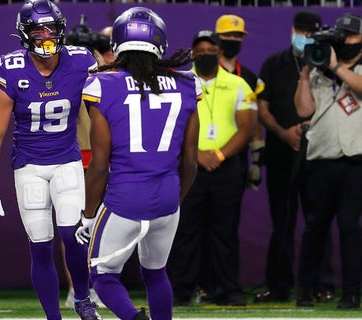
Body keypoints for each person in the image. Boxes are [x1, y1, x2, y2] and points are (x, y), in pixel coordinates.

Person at [0, 0, 101, 319]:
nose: (46, 36)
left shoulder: (81, 61)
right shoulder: (11, 67)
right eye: (37, 30)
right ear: (24, 34)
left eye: (51, 29)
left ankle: (83, 299)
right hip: (29, 166)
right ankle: (53, 317)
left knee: (72, 236)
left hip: (67, 160)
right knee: (41, 244)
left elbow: (104, 104)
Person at [75, 7, 200, 320]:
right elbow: (190, 161)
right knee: (156, 274)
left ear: (118, 43)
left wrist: (88, 215)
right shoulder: (187, 84)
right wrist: (175, 200)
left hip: (125, 200)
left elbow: (100, 164)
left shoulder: (103, 84)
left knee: (102, 276)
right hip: (168, 198)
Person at [294, 13, 362, 310]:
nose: (345, 41)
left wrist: (335, 66)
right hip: (322, 157)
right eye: (342, 35)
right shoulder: (319, 73)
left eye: (351, 36)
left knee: (349, 226)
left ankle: (351, 294)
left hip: (358, 159)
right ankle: (305, 291)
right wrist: (306, 74)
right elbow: (303, 111)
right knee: (315, 227)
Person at [167, 29, 256, 307]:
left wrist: (217, 153)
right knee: (185, 231)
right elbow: (171, 125)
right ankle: (181, 290)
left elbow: (247, 128)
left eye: (211, 50)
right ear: (193, 53)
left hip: (226, 165)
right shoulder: (179, 82)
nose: (206, 54)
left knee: (225, 231)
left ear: (220, 52)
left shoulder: (239, 84)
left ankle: (227, 290)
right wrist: (197, 155)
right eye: (200, 50)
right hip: (190, 165)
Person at [254, 10, 335, 303]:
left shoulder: (328, 64)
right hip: (280, 155)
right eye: (300, 29)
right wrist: (283, 132)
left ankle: (321, 284)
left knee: (320, 221)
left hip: (319, 154)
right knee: (282, 222)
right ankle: (279, 285)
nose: (304, 36)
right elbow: (261, 107)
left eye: (310, 31)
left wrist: (313, 126)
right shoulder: (273, 64)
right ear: (292, 29)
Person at [62, 17, 113, 309]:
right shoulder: (63, 70)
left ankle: (101, 285)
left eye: (89, 48)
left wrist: (98, 57)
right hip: (73, 155)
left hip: (104, 155)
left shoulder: (105, 72)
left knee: (103, 227)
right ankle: (76, 288)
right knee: (73, 226)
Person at [214, 14, 265, 192]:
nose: (232, 40)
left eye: (237, 36)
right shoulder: (204, 72)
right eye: (227, 35)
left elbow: (255, 119)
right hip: (205, 155)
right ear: (217, 37)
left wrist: (256, 161)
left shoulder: (249, 77)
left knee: (230, 217)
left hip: (237, 160)